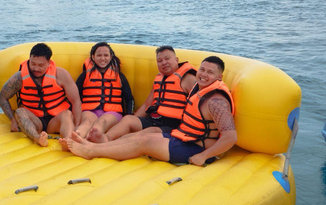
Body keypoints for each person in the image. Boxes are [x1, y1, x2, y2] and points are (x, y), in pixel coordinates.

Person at [67, 56, 237, 166]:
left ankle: (90, 151)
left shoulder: (216, 101)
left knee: (144, 142)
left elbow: (230, 137)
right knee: (139, 135)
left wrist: (203, 156)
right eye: (202, 70)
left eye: (210, 72)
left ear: (219, 77)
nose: (204, 74)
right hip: (183, 137)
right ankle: (95, 145)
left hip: (196, 148)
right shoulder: (198, 88)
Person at [87, 45, 197, 143]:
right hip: (154, 119)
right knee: (128, 119)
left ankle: (107, 144)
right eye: (159, 60)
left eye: (167, 59)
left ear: (176, 59)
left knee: (149, 132)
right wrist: (134, 119)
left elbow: (199, 106)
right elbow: (146, 105)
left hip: (173, 125)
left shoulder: (188, 79)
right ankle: (105, 138)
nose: (164, 62)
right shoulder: (160, 79)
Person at [0, 43, 82, 147]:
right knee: (20, 111)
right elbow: (2, 98)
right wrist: (13, 120)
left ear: (49, 63)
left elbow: (76, 101)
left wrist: (77, 126)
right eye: (33, 64)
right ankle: (37, 138)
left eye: (41, 65)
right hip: (35, 121)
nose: (36, 68)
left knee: (67, 114)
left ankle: (69, 141)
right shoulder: (19, 77)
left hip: (56, 120)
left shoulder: (61, 74)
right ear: (29, 60)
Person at [74, 42, 134, 139]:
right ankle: (77, 136)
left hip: (112, 113)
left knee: (102, 122)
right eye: (99, 55)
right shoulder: (85, 75)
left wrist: (129, 116)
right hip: (89, 111)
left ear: (111, 57)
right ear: (93, 57)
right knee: (86, 122)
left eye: (106, 55)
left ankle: (92, 138)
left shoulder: (119, 76)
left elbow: (129, 99)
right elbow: (74, 97)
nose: (102, 58)